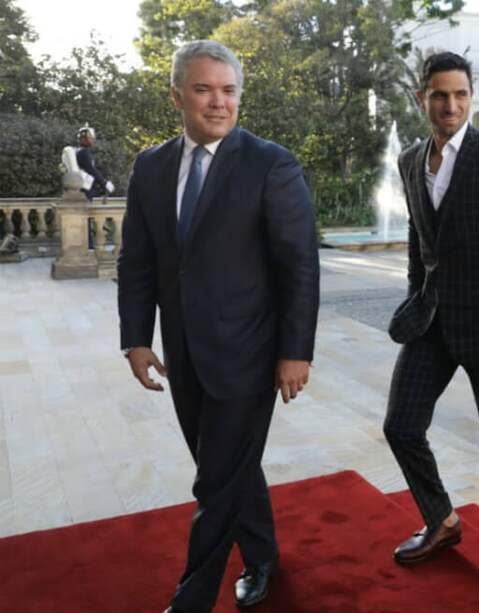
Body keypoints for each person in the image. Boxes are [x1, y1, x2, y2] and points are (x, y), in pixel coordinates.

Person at [117, 40, 319, 613]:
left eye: (228, 91)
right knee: (229, 469)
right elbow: (137, 259)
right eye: (204, 90)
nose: (217, 103)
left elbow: (298, 264)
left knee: (213, 484)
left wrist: (295, 351)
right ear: (178, 94)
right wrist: (136, 337)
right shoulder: (151, 167)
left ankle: (192, 598)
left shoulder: (270, 163)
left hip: (250, 354)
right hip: (185, 355)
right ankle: (262, 556)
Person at [383, 51, 479, 601]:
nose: (450, 105)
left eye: (460, 95)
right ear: (421, 97)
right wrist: (412, 299)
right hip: (431, 322)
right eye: (439, 94)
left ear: (471, 97)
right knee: (401, 426)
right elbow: (419, 241)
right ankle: (443, 521)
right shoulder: (408, 160)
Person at [75, 124, 113, 200]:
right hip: (85, 189)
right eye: (90, 137)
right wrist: (104, 183)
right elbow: (91, 170)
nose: (93, 139)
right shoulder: (84, 152)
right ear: (85, 139)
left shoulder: (79, 151)